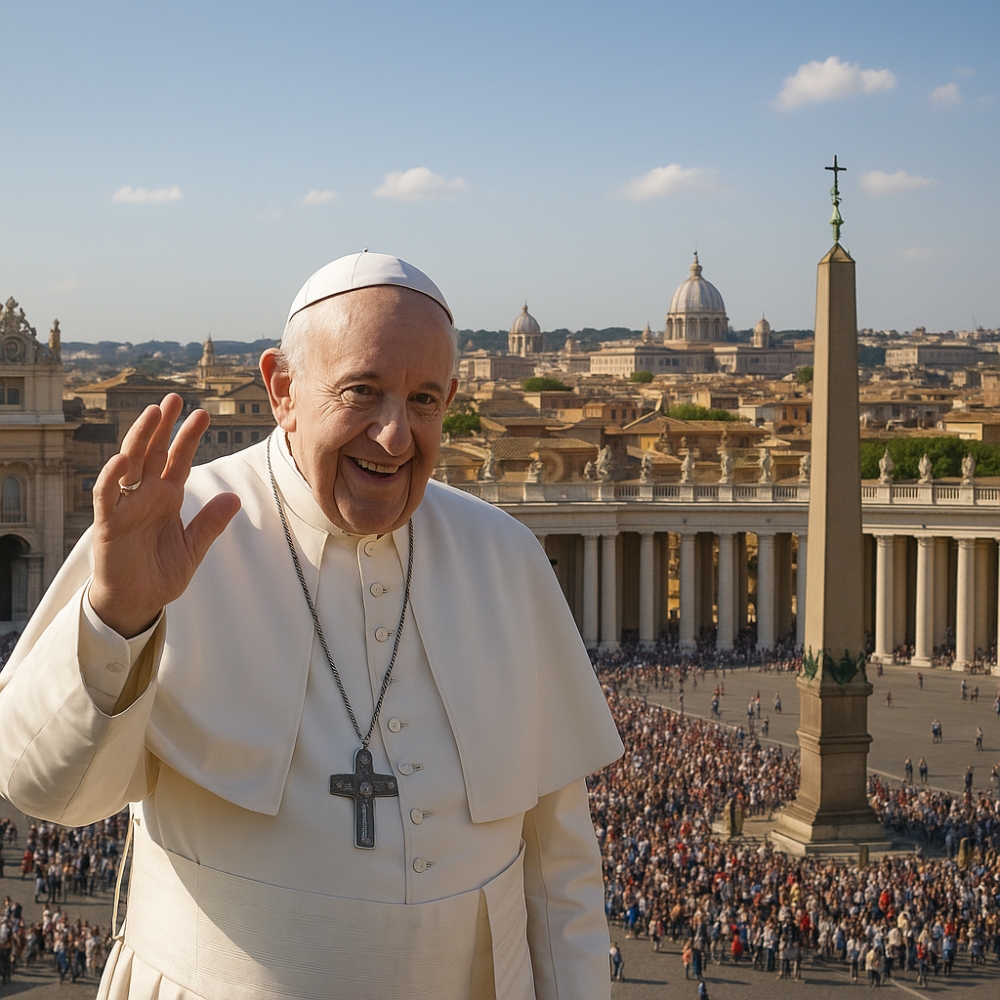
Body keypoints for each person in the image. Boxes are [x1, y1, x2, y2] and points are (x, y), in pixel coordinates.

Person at [0, 252, 624, 1000]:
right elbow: (47, 791)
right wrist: (115, 619)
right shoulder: (167, 530)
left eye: (423, 399)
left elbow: (560, 874)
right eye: (363, 391)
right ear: (283, 389)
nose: (394, 436)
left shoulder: (507, 557)